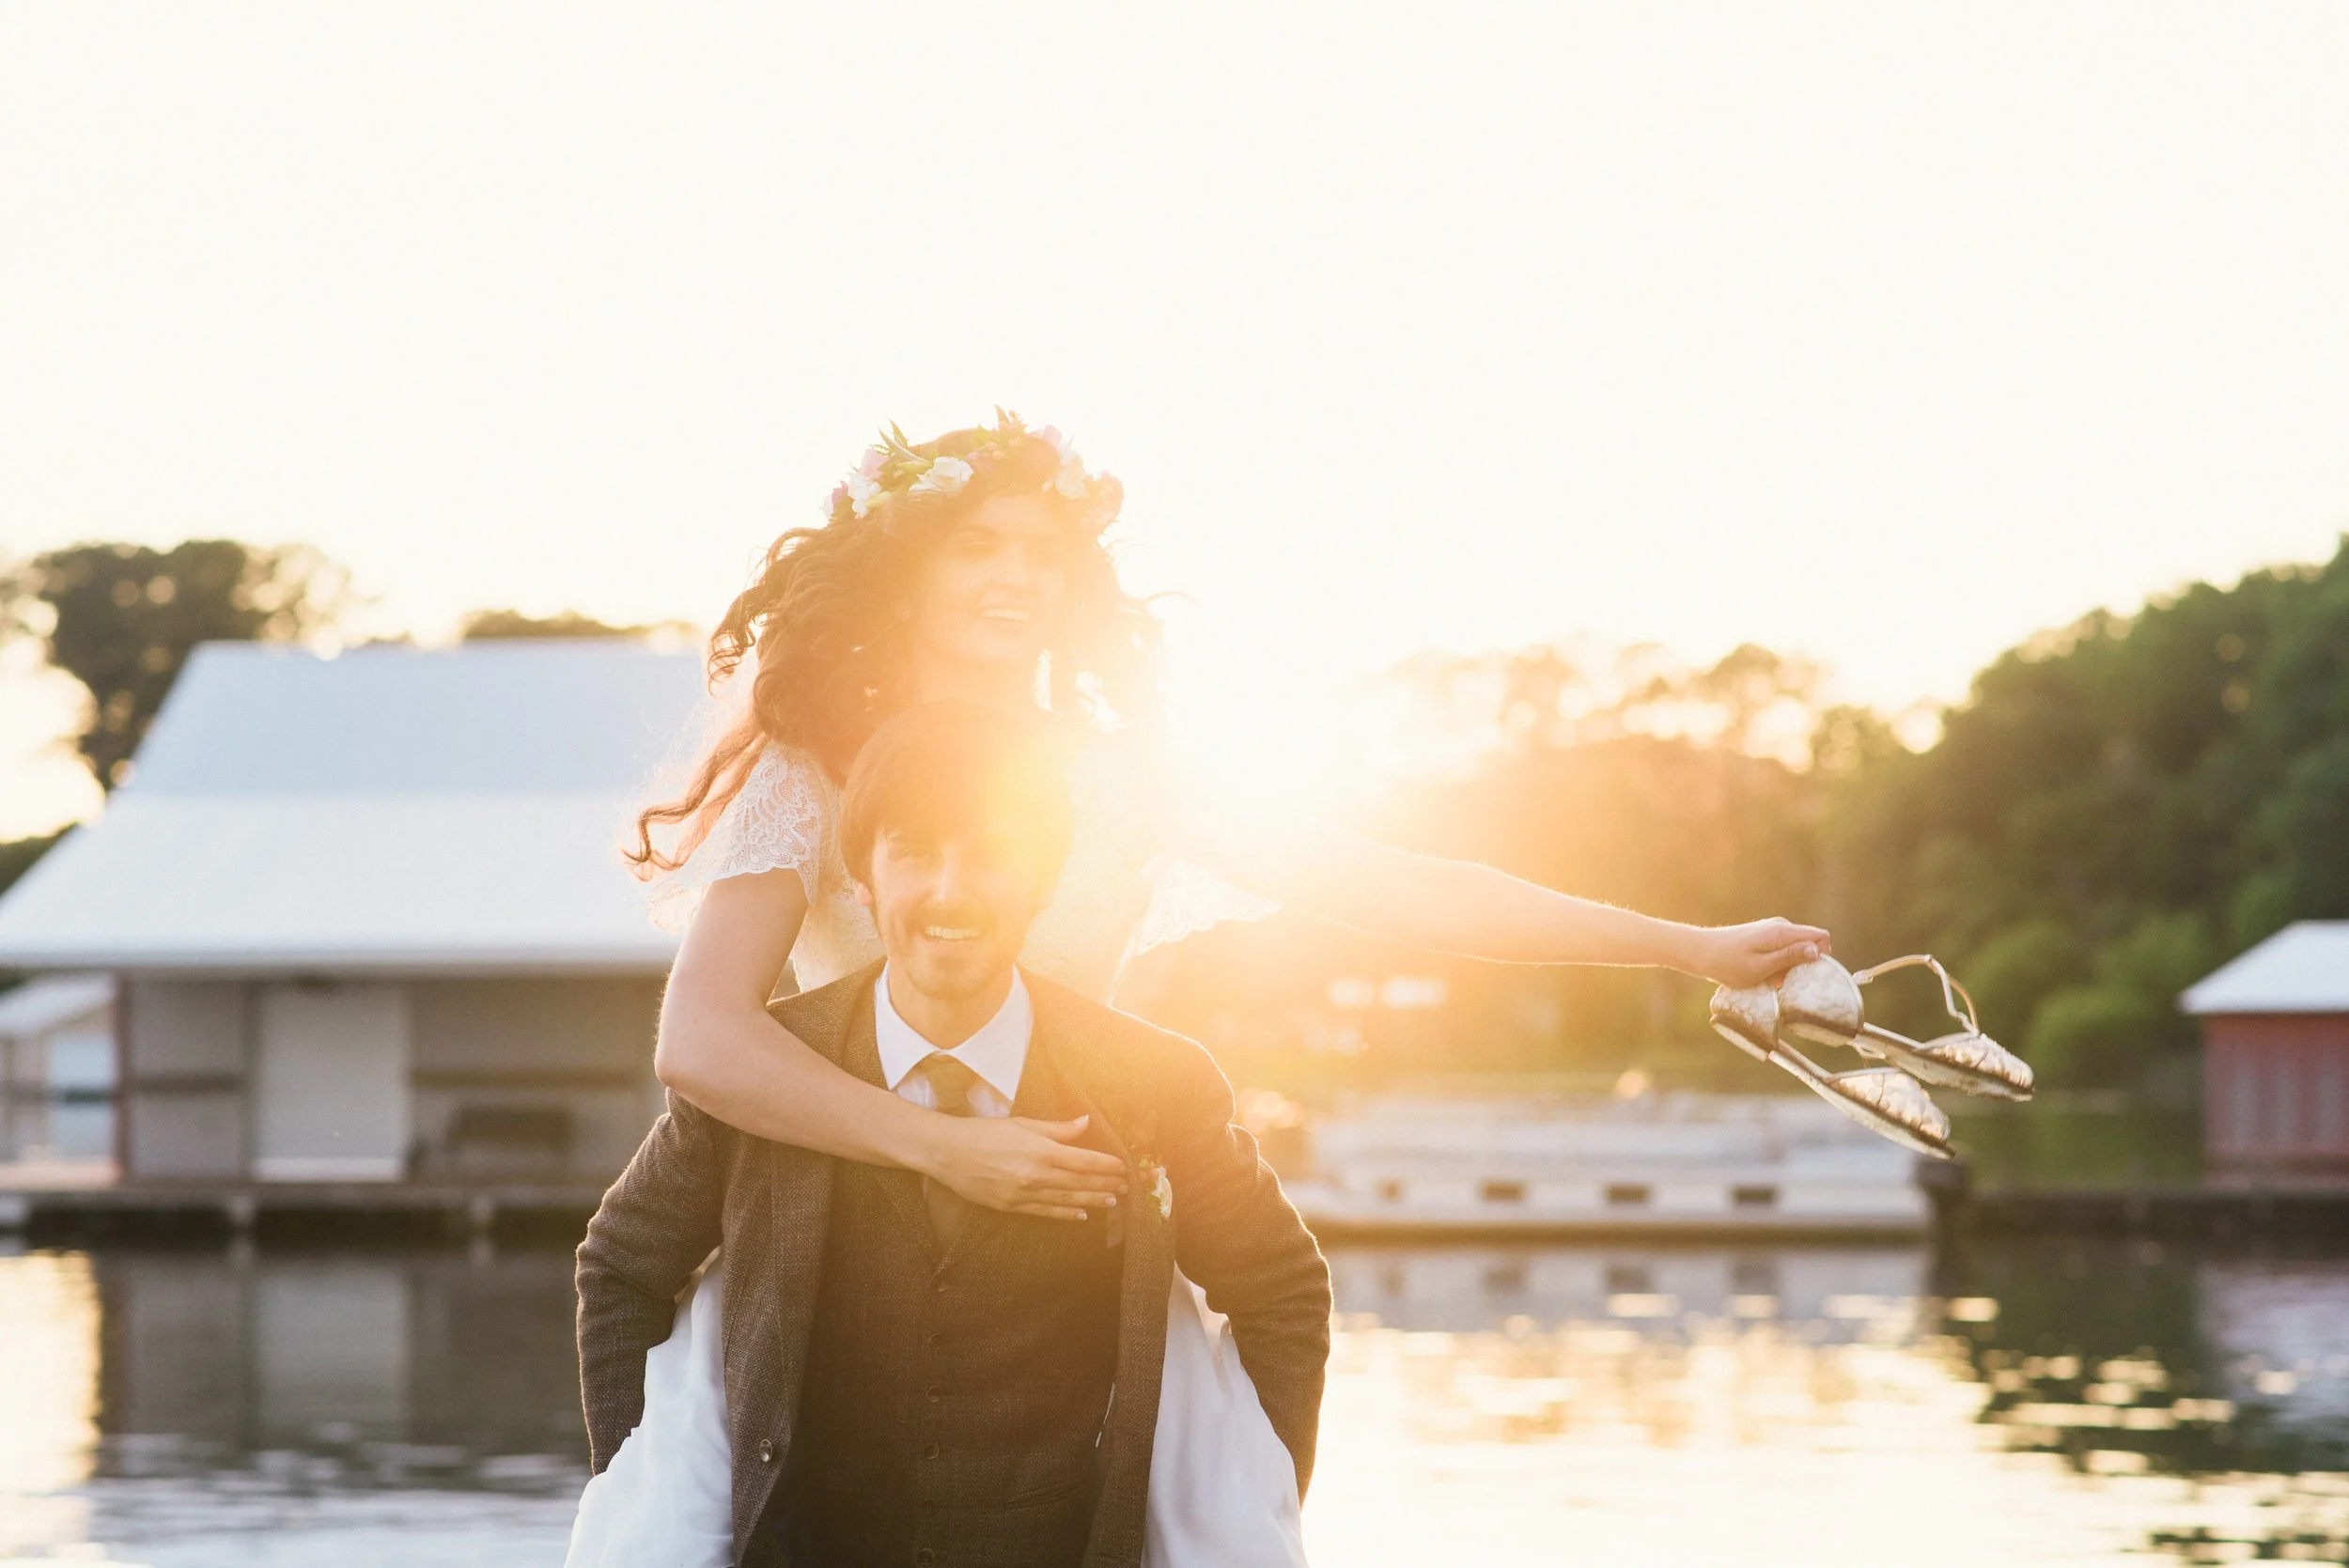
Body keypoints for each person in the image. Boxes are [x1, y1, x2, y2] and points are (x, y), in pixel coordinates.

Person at [591, 411, 1828, 1564]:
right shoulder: (813, 766)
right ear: (908, 564)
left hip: (1081, 1224)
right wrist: (937, 1149)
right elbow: (702, 1036)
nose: (1020, 574)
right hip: (831, 1239)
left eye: (1046, 551)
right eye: (982, 545)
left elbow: (1403, 886)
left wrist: (1689, 944)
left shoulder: (1125, 780)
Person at [575, 703, 1330, 1568]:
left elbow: (1282, 1289)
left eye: (990, 855)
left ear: (1044, 881)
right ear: (862, 877)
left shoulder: (1154, 1083)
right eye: (914, 853)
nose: (951, 891)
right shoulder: (766, 1075)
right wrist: (644, 1491)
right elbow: (622, 1264)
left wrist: (1251, 1495)